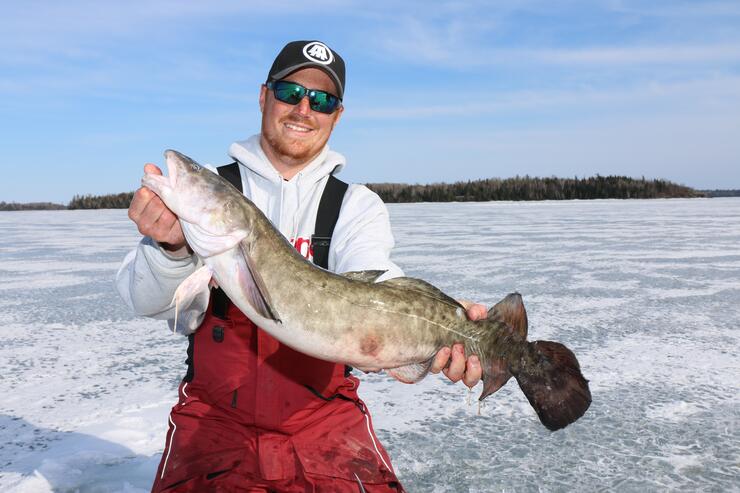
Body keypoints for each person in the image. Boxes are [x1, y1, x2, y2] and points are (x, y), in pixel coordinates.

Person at [116, 40, 484, 492]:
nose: (304, 108)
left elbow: (378, 278)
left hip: (324, 422)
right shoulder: (217, 190)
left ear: (337, 116)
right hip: (214, 421)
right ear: (263, 96)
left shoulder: (355, 205)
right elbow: (145, 301)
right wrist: (170, 248)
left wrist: (448, 323)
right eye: (290, 92)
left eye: (323, 100)